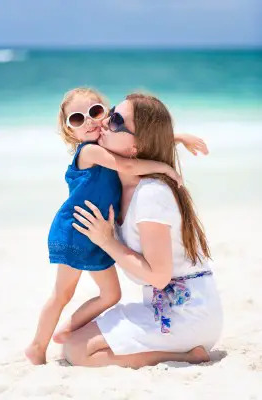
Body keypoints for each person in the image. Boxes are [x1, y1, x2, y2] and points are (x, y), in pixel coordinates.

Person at [25, 88, 206, 365]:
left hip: (95, 233)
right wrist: (166, 166)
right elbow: (128, 164)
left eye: (96, 112)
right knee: (62, 293)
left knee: (111, 294)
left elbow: (135, 143)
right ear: (69, 130)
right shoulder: (89, 151)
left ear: (106, 113)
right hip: (77, 230)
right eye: (77, 118)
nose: (89, 121)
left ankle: (68, 329)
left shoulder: (105, 146)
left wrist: (176, 138)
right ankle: (38, 346)